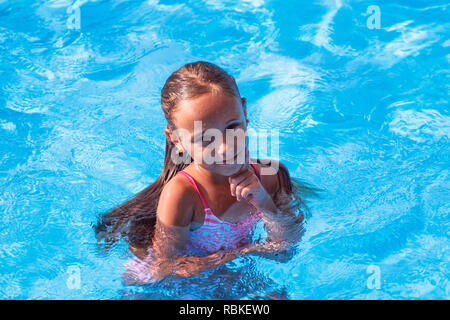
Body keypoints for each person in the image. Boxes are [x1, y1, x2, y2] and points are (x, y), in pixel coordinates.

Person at [94, 61, 320, 284]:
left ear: (245, 112)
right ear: (177, 140)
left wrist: (263, 201)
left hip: (234, 276)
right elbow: (164, 268)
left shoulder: (270, 176)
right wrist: (239, 254)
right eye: (204, 139)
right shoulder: (182, 195)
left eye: (232, 128)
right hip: (179, 285)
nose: (224, 147)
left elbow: (287, 250)